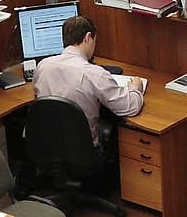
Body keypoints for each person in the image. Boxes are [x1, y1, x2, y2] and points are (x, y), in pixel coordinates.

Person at [33, 15, 143, 148]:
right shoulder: (94, 73)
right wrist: (135, 88)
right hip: (83, 153)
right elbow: (130, 107)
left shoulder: (43, 66)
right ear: (88, 37)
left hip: (47, 148)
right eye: (94, 41)